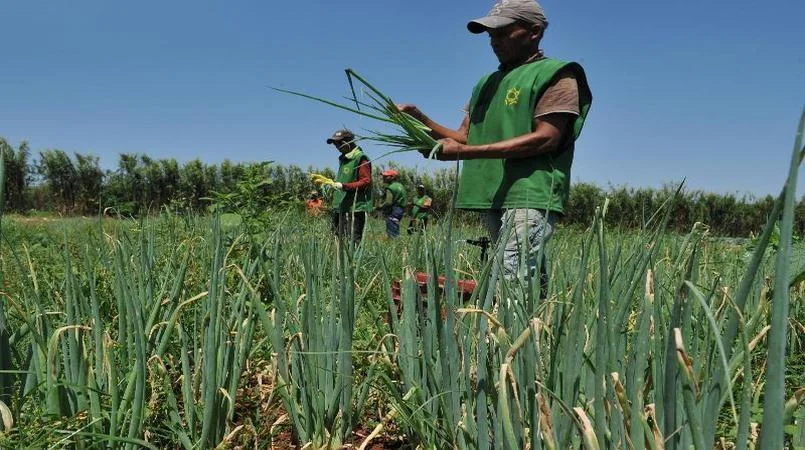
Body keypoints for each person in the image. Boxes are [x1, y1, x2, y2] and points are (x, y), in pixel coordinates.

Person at [396, 0, 592, 290]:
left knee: (511, 275)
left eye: (503, 33)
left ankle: (503, 335)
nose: (494, 42)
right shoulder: (485, 83)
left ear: (534, 31)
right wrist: (419, 120)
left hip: (530, 192)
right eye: (491, 35)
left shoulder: (558, 74)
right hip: (493, 191)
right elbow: (466, 137)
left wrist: (464, 153)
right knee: (523, 276)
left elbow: (547, 137)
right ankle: (541, 330)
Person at [312, 129, 373, 244]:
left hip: (354, 208)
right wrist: (329, 182)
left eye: (339, 143)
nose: (337, 146)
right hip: (341, 206)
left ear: (348, 142)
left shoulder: (360, 158)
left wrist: (342, 186)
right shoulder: (344, 159)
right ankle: (337, 261)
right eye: (335, 144)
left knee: (352, 241)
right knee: (337, 239)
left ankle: (353, 262)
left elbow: (366, 181)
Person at [376, 169, 406, 238]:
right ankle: (396, 240)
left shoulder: (390, 188)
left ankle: (393, 241)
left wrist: (380, 207)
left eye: (386, 176)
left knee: (391, 226)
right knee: (395, 225)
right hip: (401, 209)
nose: (383, 177)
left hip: (394, 209)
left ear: (392, 177)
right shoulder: (400, 185)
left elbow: (388, 202)